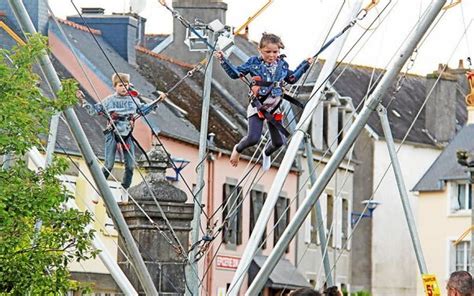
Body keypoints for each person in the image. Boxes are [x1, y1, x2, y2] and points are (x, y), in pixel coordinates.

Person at [215, 32, 313, 170]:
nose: (272, 56)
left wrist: (305, 65)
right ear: (260, 50)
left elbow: (292, 79)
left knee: (279, 142)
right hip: (258, 106)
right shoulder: (253, 63)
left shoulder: (282, 65)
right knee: (253, 138)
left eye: (275, 52)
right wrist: (223, 60)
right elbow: (235, 74)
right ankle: (237, 149)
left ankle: (266, 153)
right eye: (268, 52)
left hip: (274, 107)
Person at [76, 73, 165, 196]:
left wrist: (158, 100)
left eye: (126, 85)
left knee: (130, 166)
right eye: (120, 85)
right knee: (109, 164)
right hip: (113, 133)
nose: (123, 88)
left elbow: (144, 110)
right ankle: (99, 188)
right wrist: (82, 100)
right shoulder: (109, 100)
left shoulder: (133, 101)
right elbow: (94, 111)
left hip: (127, 134)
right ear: (115, 86)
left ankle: (125, 188)